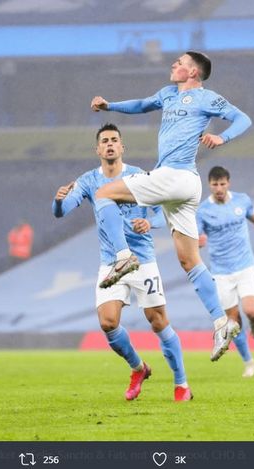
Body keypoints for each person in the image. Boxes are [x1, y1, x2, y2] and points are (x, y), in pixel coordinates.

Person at [90, 51, 252, 361]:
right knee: (190, 261)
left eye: (179, 62)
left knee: (104, 195)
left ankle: (124, 257)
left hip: (176, 174)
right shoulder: (167, 94)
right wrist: (110, 106)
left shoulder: (206, 98)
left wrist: (223, 137)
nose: (173, 65)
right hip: (185, 186)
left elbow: (243, 118)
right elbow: (141, 105)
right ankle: (222, 321)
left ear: (193, 72)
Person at [52, 123, 192, 401]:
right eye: (104, 141)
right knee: (107, 322)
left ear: (122, 146)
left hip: (143, 260)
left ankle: (181, 384)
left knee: (158, 321)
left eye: (114, 140)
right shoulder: (90, 181)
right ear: (98, 149)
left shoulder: (139, 177)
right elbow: (61, 212)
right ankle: (138, 368)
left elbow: (165, 214)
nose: (110, 144)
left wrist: (148, 222)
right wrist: (57, 201)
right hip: (110, 265)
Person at [197, 166, 254, 377]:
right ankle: (249, 362)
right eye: (215, 184)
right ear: (209, 185)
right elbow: (196, 238)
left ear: (229, 183)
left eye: (222, 184)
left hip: (244, 266)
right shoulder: (203, 211)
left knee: (251, 311)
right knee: (233, 323)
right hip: (221, 272)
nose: (219, 188)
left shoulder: (242, 201)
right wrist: (199, 241)